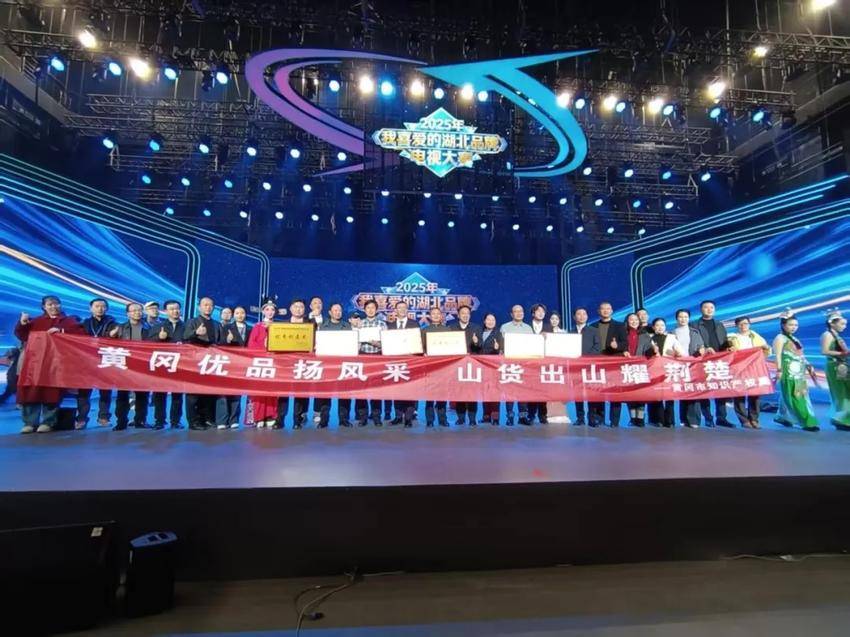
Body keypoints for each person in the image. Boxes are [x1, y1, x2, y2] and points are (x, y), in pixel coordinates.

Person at [15, 295, 84, 434]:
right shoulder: (36, 321)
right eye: (50, 304)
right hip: (35, 364)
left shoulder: (69, 321)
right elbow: (22, 335)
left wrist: (62, 331)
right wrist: (22, 323)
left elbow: (81, 334)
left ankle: (48, 422)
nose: (54, 307)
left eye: (56, 304)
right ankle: (29, 423)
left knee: (52, 394)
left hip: (56, 364)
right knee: (31, 392)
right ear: (44, 307)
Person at [772, 313, 819, 432]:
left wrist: (808, 364)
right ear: (783, 325)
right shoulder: (780, 338)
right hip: (788, 371)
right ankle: (806, 421)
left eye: (796, 325)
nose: (794, 327)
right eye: (791, 325)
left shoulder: (794, 339)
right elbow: (777, 355)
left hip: (799, 371)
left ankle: (783, 417)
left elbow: (800, 355)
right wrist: (779, 370)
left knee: (789, 394)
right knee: (794, 394)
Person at [76, 297, 117, 429]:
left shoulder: (113, 323)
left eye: (103, 306)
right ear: (91, 308)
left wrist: (114, 335)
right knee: (84, 391)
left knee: (105, 391)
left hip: (105, 359)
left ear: (107, 308)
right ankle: (81, 419)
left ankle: (103, 417)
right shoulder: (84, 323)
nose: (100, 309)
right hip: (86, 360)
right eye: (97, 306)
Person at [110, 302, 152, 430]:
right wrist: (110, 336)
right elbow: (108, 343)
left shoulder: (149, 328)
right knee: (122, 395)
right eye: (134, 311)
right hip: (125, 364)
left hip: (142, 364)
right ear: (127, 313)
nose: (137, 313)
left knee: (142, 395)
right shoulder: (120, 328)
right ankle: (121, 422)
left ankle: (140, 420)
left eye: (139, 310)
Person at [692, 300, 733, 427]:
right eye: (706, 307)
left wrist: (729, 346)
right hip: (702, 361)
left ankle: (721, 417)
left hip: (719, 360)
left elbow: (724, 340)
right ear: (701, 309)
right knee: (704, 389)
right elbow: (693, 342)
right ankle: (708, 417)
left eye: (711, 307)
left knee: (721, 389)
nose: (709, 309)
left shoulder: (719, 324)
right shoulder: (694, 324)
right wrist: (705, 348)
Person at [182, 297, 222, 430]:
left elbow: (219, 342)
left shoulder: (216, 324)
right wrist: (196, 333)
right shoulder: (192, 322)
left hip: (211, 362)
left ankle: (207, 419)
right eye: (205, 305)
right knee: (193, 394)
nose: (208, 307)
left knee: (209, 392)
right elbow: (185, 337)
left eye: (210, 305)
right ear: (199, 307)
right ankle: (193, 421)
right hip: (195, 362)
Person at [589, 301, 628, 427]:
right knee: (597, 391)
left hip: (614, 363)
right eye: (603, 309)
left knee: (615, 392)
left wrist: (617, 346)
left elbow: (625, 343)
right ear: (598, 311)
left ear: (611, 311)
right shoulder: (592, 326)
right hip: (597, 363)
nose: (605, 311)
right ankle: (599, 418)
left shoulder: (619, 325)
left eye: (608, 308)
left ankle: (614, 421)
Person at [728, 316, 771, 429]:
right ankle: (744, 420)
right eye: (740, 324)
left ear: (749, 324)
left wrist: (766, 348)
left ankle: (754, 419)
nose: (743, 326)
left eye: (746, 323)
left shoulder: (756, 337)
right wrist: (730, 350)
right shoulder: (731, 337)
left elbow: (767, 352)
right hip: (739, 368)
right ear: (736, 326)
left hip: (754, 367)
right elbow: (726, 352)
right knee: (739, 393)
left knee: (755, 392)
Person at [148, 299, 185, 429]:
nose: (175, 311)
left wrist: (184, 345)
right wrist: (159, 338)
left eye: (177, 309)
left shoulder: (186, 326)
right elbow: (148, 344)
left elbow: (192, 343)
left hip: (180, 365)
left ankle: (175, 421)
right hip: (162, 364)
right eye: (171, 309)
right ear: (165, 311)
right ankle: (159, 420)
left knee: (177, 395)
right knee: (160, 394)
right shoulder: (158, 327)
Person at [276, 299, 311, 429]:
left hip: (303, 363)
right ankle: (280, 419)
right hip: (286, 364)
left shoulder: (310, 325)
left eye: (301, 307)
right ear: (290, 308)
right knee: (282, 392)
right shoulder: (282, 325)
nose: (298, 309)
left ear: (304, 310)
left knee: (300, 393)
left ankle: (298, 420)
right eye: (296, 306)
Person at [646, 317, 685, 427]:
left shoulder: (671, 338)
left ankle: (670, 421)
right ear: (653, 327)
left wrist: (676, 352)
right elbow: (645, 353)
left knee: (669, 395)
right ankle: (659, 420)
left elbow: (680, 352)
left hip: (669, 369)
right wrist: (652, 352)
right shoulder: (649, 338)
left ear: (665, 327)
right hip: (654, 370)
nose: (660, 327)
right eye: (657, 325)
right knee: (657, 395)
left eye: (662, 325)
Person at [246, 301, 278, 428]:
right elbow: (251, 344)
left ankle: (270, 415)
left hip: (273, 363)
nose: (270, 312)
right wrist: (263, 347)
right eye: (267, 309)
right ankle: (257, 416)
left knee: (272, 390)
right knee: (258, 391)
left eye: (272, 310)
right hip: (259, 363)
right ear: (263, 311)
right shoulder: (257, 326)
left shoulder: (278, 327)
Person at [217, 305, 251, 429]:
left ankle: (234, 419)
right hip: (228, 363)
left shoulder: (250, 329)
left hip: (242, 364)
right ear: (233, 315)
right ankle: (222, 420)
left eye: (242, 313)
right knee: (223, 391)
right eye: (237, 313)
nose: (240, 315)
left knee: (237, 392)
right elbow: (219, 344)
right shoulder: (226, 327)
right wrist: (227, 340)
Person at [386, 300, 419, 427]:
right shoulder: (390, 325)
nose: (402, 310)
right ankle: (398, 416)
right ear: (395, 310)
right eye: (399, 308)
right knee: (397, 390)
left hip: (410, 362)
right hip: (395, 362)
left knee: (410, 390)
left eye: (404, 308)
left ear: (407, 310)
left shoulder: (414, 324)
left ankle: (409, 418)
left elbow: (417, 342)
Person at [672, 309, 705, 428]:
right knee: (683, 391)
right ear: (677, 319)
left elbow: (701, 346)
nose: (683, 319)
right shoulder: (672, 333)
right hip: (679, 365)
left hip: (693, 365)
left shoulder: (695, 332)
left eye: (685, 317)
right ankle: (684, 418)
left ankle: (694, 420)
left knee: (693, 391)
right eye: (680, 317)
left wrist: (701, 350)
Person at [321, 303, 353, 428]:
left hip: (343, 364)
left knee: (344, 393)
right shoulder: (323, 326)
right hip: (327, 365)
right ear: (330, 312)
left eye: (339, 310)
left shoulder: (347, 326)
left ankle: (344, 419)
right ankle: (324, 420)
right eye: (335, 310)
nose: (338, 312)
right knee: (325, 394)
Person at [500, 304, 533, 426]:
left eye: (521, 311)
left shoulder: (528, 328)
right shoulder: (505, 327)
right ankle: (510, 417)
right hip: (510, 364)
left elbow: (533, 346)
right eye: (516, 311)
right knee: (510, 392)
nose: (519, 313)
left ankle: (522, 417)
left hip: (524, 364)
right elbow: (502, 347)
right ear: (511, 314)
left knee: (523, 392)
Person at [355, 299, 386, 427]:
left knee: (376, 388)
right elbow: (354, 341)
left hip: (377, 356)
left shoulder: (382, 324)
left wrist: (378, 344)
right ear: (364, 310)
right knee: (361, 388)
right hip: (363, 356)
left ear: (376, 310)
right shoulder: (360, 324)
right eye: (368, 308)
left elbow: (387, 342)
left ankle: (376, 416)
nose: (370, 310)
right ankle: (362, 417)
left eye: (373, 308)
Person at [451, 304, 482, 426]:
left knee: (472, 392)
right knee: (459, 392)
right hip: (457, 364)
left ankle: (472, 418)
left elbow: (480, 347)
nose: (465, 315)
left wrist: (476, 342)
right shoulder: (452, 328)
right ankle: (461, 418)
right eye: (463, 313)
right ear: (458, 315)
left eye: (467, 313)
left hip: (472, 365)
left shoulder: (476, 328)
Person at [421, 306, 451, 427]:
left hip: (444, 366)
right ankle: (430, 420)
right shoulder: (424, 330)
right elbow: (421, 347)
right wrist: (424, 353)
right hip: (430, 366)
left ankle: (442, 419)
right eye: (433, 313)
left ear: (441, 316)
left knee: (442, 394)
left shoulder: (447, 330)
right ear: (430, 316)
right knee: (430, 394)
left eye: (438, 313)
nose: (436, 315)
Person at [820, 309, 850, 430]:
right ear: (832, 323)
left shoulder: (836, 335)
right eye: (842, 324)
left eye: (845, 324)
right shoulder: (827, 335)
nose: (844, 326)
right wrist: (843, 353)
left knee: (845, 390)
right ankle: (841, 419)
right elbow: (825, 351)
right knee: (840, 391)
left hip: (841, 365)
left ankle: (845, 417)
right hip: (834, 365)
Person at [571, 307, 600, 426]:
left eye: (584, 314)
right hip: (575, 368)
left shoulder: (594, 330)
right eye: (579, 314)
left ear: (587, 316)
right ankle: (580, 418)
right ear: (574, 317)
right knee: (578, 393)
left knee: (591, 392)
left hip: (590, 366)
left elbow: (597, 347)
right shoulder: (570, 332)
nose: (582, 316)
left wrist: (585, 359)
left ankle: (592, 418)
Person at [623, 312, 652, 427]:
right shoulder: (622, 334)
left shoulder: (645, 335)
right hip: (626, 367)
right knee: (630, 393)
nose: (634, 321)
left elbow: (648, 351)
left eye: (636, 319)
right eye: (631, 319)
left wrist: (654, 350)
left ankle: (640, 418)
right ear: (627, 321)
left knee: (641, 393)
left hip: (641, 367)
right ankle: (632, 418)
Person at [528, 303, 552, 425]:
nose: (541, 313)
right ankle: (531, 415)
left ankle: (543, 415)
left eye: (543, 311)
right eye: (538, 311)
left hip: (544, 362)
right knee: (531, 389)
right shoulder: (527, 326)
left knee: (543, 389)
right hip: (530, 362)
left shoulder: (549, 327)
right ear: (533, 313)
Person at [479, 312, 504, 425]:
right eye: (488, 320)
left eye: (493, 320)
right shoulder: (479, 332)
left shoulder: (498, 334)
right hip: (481, 367)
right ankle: (486, 416)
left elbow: (502, 350)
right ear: (484, 321)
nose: (490, 322)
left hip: (494, 367)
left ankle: (495, 418)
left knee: (494, 393)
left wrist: (497, 349)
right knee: (485, 392)